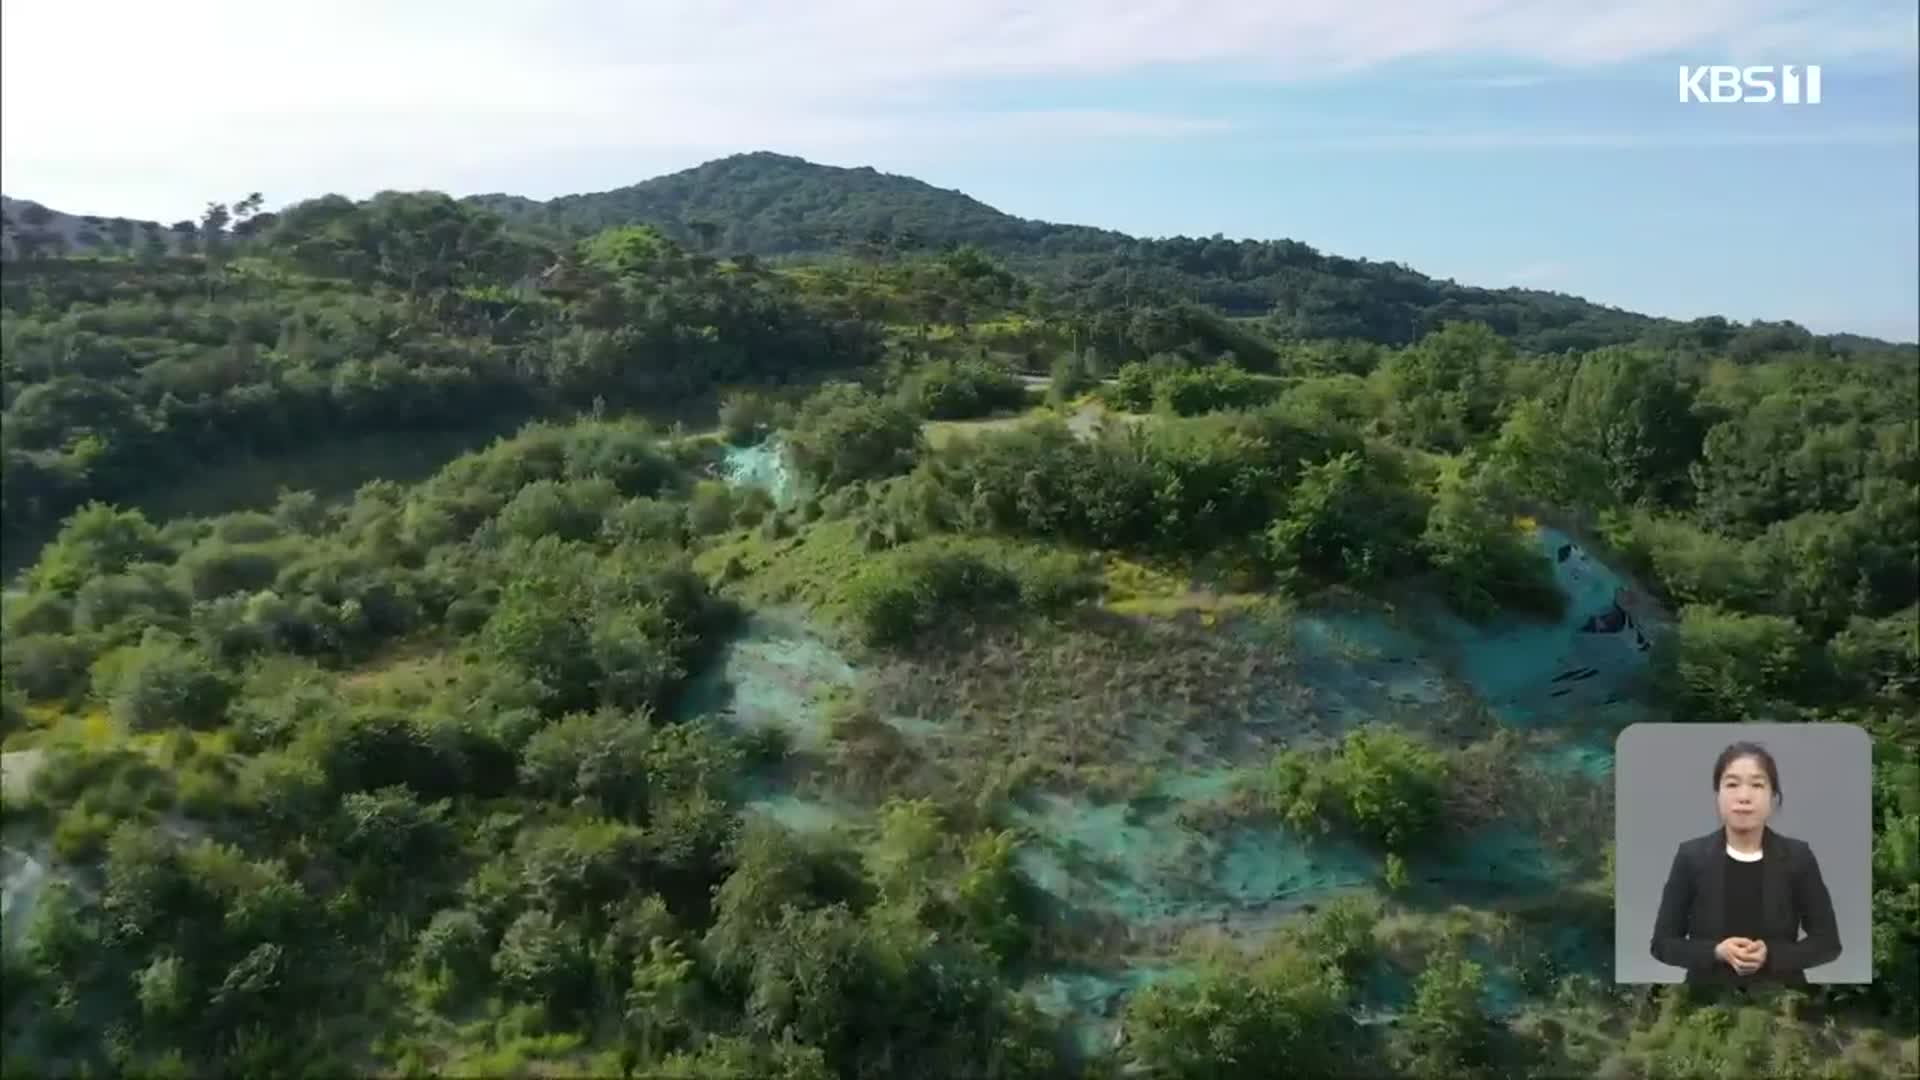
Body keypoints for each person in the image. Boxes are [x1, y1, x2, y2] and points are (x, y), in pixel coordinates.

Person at [1649, 741, 1841, 986]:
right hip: (1706, 1000)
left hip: (1782, 998)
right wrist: (1716, 952)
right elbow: (1662, 943)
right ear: (1718, 795)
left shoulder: (1797, 857)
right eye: (1731, 784)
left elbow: (1828, 943)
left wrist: (1771, 955)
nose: (1743, 797)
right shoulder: (1691, 856)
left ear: (1773, 797)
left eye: (1757, 785)